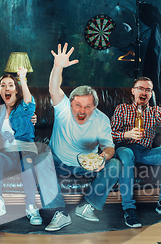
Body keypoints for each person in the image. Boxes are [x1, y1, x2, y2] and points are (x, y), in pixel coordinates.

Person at [45, 43, 121, 232]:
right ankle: (59, 214)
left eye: (87, 106)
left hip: (86, 167)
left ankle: (87, 206)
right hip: (59, 163)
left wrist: (102, 158)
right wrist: (58, 67)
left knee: (116, 165)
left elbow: (109, 147)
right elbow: (54, 88)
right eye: (78, 105)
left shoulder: (101, 119)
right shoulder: (62, 109)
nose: (82, 110)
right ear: (70, 104)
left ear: (94, 107)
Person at [111, 76, 161, 226]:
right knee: (126, 155)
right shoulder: (122, 109)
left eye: (148, 90)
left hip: (145, 152)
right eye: (140, 88)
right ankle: (129, 208)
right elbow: (109, 135)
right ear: (133, 91)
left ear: (151, 94)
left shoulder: (155, 112)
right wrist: (127, 134)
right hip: (125, 149)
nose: (144, 92)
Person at [0, 68, 42, 225]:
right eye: (3, 85)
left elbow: (29, 102)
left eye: (11, 85)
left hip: (26, 151)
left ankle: (31, 207)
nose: (6, 88)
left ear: (17, 90)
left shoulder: (24, 109)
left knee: (27, 163)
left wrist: (22, 79)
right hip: (8, 154)